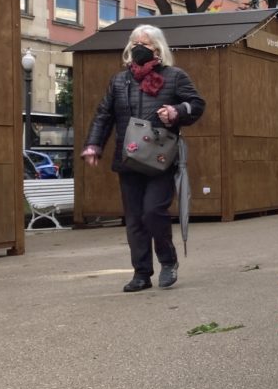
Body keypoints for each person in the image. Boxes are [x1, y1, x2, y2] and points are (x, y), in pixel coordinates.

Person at [81, 25, 205, 292]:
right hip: (128, 158)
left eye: (145, 43)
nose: (138, 47)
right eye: (135, 42)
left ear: (157, 48)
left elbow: (196, 104)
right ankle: (141, 273)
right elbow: (104, 115)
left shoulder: (174, 76)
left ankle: (168, 262)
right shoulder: (119, 81)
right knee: (135, 218)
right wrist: (93, 145)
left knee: (152, 212)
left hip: (160, 158)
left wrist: (175, 111)